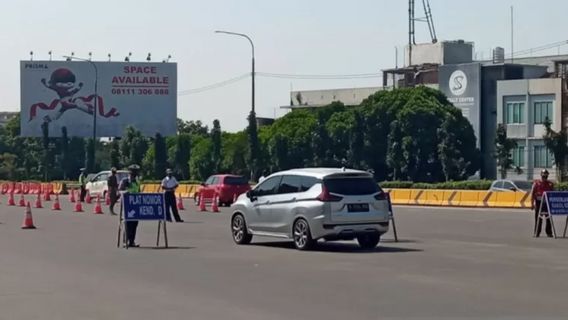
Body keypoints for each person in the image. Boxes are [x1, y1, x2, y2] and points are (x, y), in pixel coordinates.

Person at [119, 165, 141, 247]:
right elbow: (119, 191)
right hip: (127, 205)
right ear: (130, 173)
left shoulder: (137, 182)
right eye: (133, 172)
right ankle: (126, 241)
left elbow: (139, 192)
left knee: (135, 223)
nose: (135, 175)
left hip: (136, 205)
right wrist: (124, 192)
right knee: (127, 223)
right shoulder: (125, 181)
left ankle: (132, 241)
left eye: (136, 173)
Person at [531, 169, 554, 238]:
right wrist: (532, 204)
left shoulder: (550, 184)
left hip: (547, 203)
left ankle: (549, 233)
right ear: (541, 176)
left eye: (546, 176)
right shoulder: (536, 183)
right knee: (538, 219)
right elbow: (532, 194)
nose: (544, 178)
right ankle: (537, 233)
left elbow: (552, 194)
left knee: (548, 218)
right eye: (543, 176)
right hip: (538, 202)